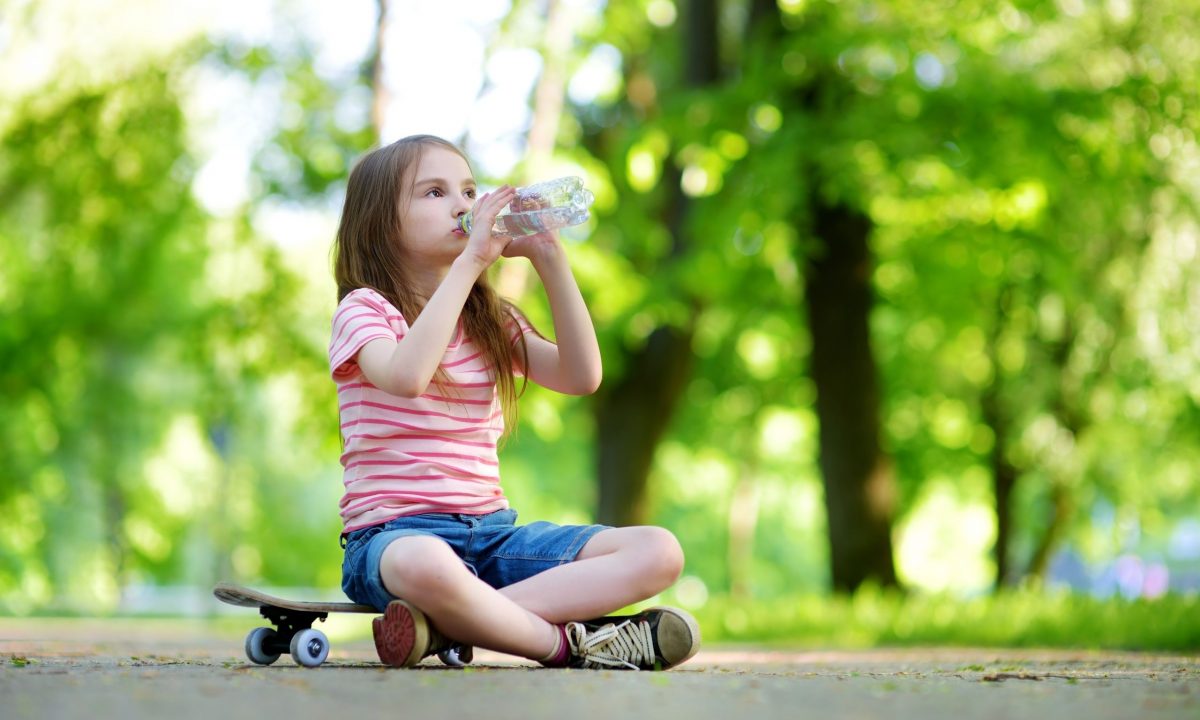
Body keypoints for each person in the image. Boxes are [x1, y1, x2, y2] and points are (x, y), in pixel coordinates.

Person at [329, 134, 700, 670]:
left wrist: (551, 260)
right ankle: (570, 646)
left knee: (659, 550)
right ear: (383, 223)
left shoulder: (490, 319)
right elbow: (408, 375)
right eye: (434, 193)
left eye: (468, 189)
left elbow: (582, 375)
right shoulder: (364, 309)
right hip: (393, 537)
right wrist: (473, 260)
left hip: (492, 534)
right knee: (428, 562)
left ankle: (444, 629)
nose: (462, 204)